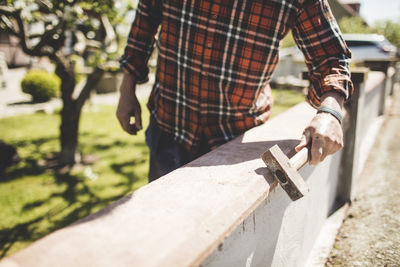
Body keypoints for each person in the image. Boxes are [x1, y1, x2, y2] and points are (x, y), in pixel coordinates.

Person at [117, 0, 354, 182]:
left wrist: (329, 112)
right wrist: (127, 89)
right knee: (163, 226)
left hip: (238, 139)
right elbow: (144, 23)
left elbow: (330, 55)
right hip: (169, 127)